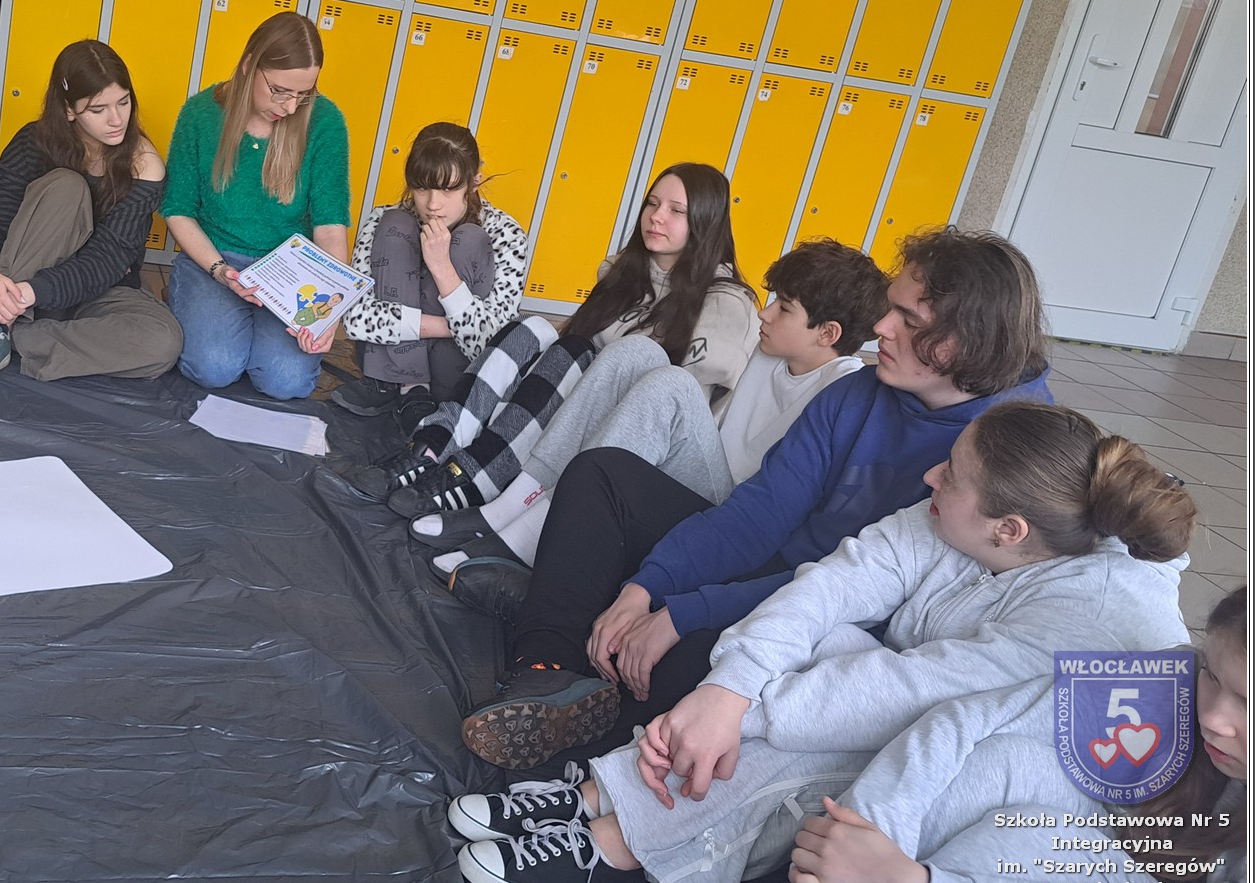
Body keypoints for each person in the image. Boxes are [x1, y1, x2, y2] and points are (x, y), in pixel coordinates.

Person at [445, 401, 1196, 883]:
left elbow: (916, 702)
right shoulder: (971, 515)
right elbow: (830, 585)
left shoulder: (1096, 615)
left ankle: (619, 848)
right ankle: (600, 795)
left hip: (1001, 815)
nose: (931, 477)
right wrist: (726, 692)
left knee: (834, 719)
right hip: (932, 727)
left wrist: (734, 714)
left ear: (1009, 531)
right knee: (811, 649)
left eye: (951, 476)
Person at [458, 227, 1054, 772]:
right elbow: (757, 514)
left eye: (910, 319)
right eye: (890, 308)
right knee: (602, 475)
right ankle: (546, 670)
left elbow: (853, 594)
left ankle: (589, 744)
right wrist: (647, 589)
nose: (881, 327)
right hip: (773, 568)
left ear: (968, 341)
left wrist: (685, 612)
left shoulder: (998, 457)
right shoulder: (857, 393)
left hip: (825, 620)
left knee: (703, 657)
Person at [422, 239, 888, 583]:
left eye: (783, 308)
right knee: (638, 353)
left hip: (730, 514)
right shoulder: (773, 350)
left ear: (827, 333)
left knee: (672, 384)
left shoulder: (842, 389)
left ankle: (532, 536)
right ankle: (513, 504)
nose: (765, 314)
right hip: (700, 471)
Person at [785, 585, 1247, 883]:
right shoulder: (1175, 677)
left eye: (1250, 703)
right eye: (1212, 676)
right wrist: (861, 839)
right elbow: (973, 719)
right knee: (1003, 757)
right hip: (1131, 840)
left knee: (1025, 842)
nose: (1212, 717)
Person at [369, 164, 759, 520]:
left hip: (627, 441)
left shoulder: (725, 303)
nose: (656, 217)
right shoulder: (625, 274)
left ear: (705, 222)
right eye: (653, 204)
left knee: (573, 352)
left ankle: (478, 477)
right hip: (565, 416)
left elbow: (673, 402)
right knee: (531, 327)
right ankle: (431, 446)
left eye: (677, 211)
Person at [0, 39, 180, 393]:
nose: (117, 119)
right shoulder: (34, 142)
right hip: (28, 278)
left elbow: (107, 261)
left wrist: (27, 295)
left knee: (161, 343)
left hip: (89, 288)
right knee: (66, 186)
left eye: (123, 102)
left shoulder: (144, 165)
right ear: (69, 110)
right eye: (98, 109)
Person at [161, 11, 350, 400]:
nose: (291, 106)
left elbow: (330, 226)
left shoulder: (326, 122)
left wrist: (330, 309)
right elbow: (178, 209)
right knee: (213, 367)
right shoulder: (200, 114)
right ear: (249, 65)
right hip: (215, 259)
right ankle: (206, 313)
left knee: (286, 381)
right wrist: (220, 272)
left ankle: (240, 336)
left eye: (303, 94)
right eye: (280, 90)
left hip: (291, 271)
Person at [332, 122, 528, 418]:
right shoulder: (381, 220)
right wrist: (448, 325)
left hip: (457, 371)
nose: (433, 204)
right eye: (422, 188)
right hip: (388, 366)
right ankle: (408, 386)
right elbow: (356, 319)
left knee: (470, 239)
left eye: (448, 189)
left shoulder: (506, 233)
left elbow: (492, 341)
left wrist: (442, 268)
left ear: (474, 181)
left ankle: (434, 395)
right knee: (394, 223)